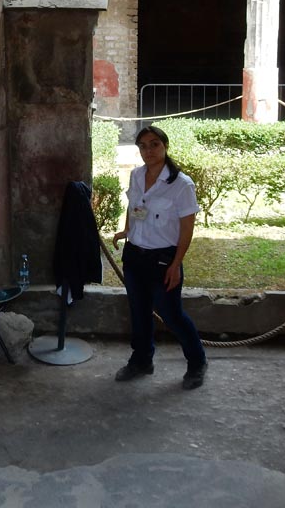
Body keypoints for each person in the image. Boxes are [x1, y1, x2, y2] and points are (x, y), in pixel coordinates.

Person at [112, 125, 208, 390]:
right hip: (135, 256)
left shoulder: (181, 184)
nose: (148, 151)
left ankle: (197, 362)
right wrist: (127, 229)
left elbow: (187, 229)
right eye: (143, 146)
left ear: (165, 146)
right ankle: (142, 360)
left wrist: (176, 264)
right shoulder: (136, 175)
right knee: (138, 311)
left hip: (163, 259)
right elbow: (134, 206)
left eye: (154, 144)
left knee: (171, 314)